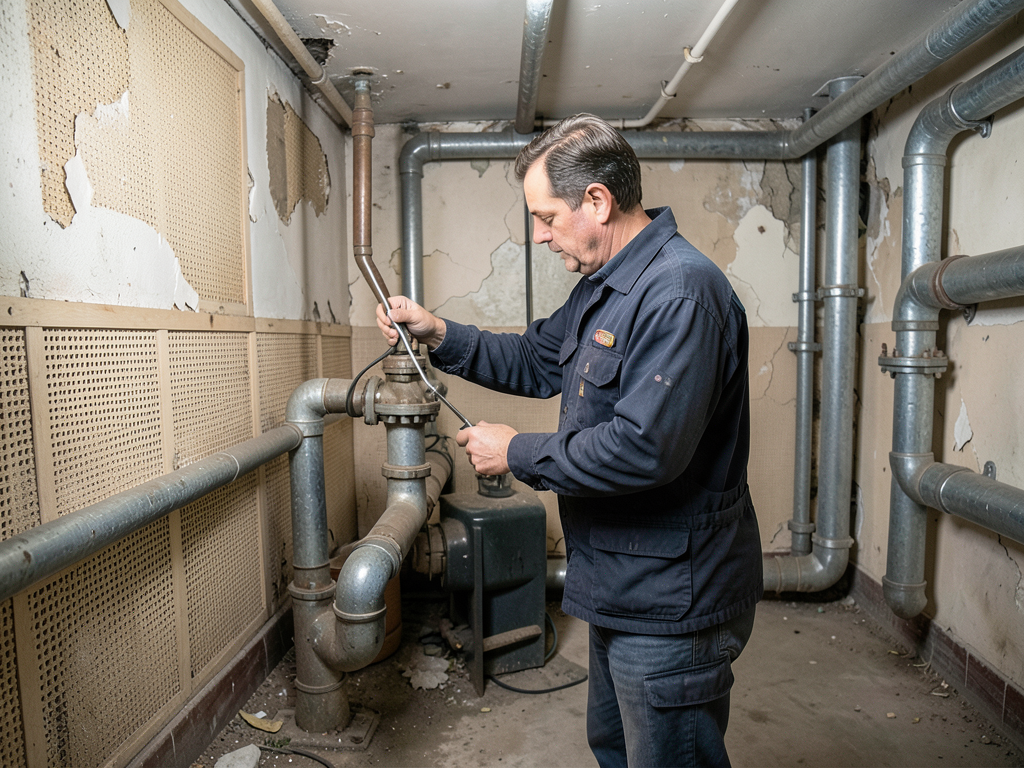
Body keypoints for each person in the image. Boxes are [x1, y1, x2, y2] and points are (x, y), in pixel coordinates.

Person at [376, 113, 763, 768]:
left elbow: (644, 449)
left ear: (597, 201)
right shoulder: (604, 289)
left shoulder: (680, 293)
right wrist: (437, 332)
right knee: (614, 746)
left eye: (547, 217)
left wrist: (516, 452)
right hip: (621, 584)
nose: (538, 235)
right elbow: (535, 359)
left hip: (672, 599)